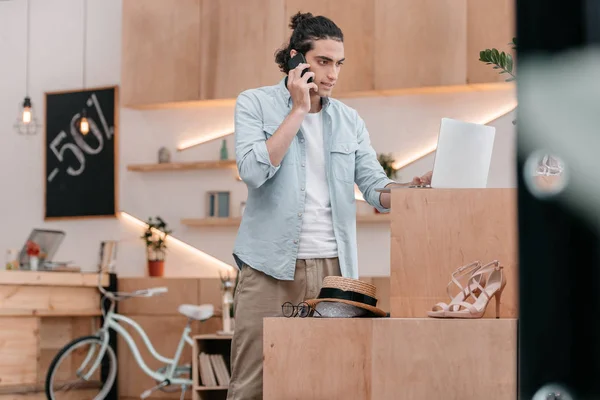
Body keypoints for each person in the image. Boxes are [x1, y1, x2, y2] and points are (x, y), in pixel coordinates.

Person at [227, 11, 432, 400]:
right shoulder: (254, 104)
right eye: (323, 62)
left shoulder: (350, 121)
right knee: (253, 385)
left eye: (338, 63)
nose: (333, 74)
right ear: (296, 60)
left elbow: (375, 188)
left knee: (329, 382)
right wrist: (299, 110)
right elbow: (253, 171)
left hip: (334, 274)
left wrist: (411, 189)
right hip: (269, 268)